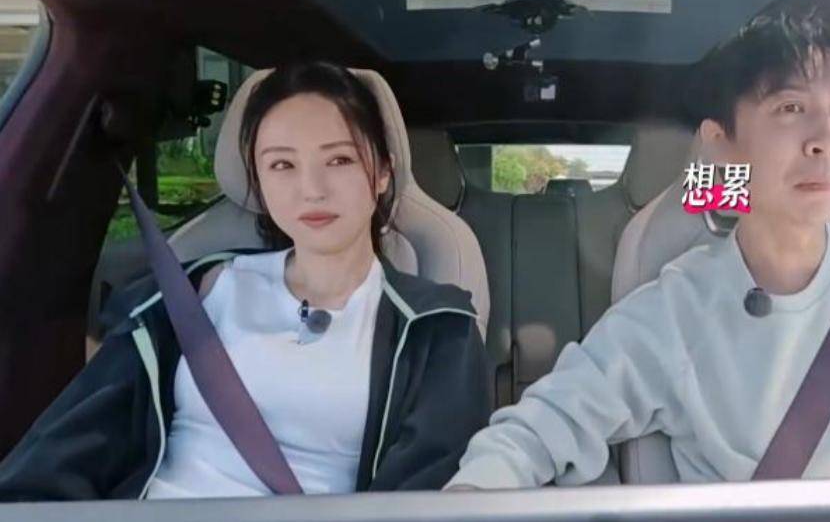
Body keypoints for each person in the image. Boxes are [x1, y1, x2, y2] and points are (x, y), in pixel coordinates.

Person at [445, 11, 830, 489]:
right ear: (721, 144)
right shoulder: (676, 309)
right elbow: (543, 425)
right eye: (790, 108)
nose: (827, 140)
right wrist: (473, 493)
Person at [0, 61, 491, 500]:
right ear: (258, 179)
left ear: (383, 172)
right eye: (282, 164)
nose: (311, 189)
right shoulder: (188, 293)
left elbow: (416, 502)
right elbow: (65, 451)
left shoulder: (437, 327)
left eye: (339, 159)